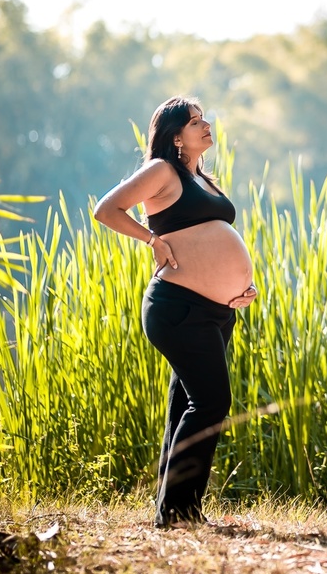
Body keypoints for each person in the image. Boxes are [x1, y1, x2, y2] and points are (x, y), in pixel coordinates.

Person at [93, 95, 257, 528]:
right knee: (211, 402)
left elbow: (212, 238)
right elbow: (106, 210)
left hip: (215, 311)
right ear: (176, 136)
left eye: (204, 118)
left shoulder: (202, 178)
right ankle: (178, 512)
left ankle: (174, 509)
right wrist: (151, 240)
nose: (206, 125)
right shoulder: (162, 170)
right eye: (195, 121)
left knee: (186, 402)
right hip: (177, 306)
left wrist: (240, 286)